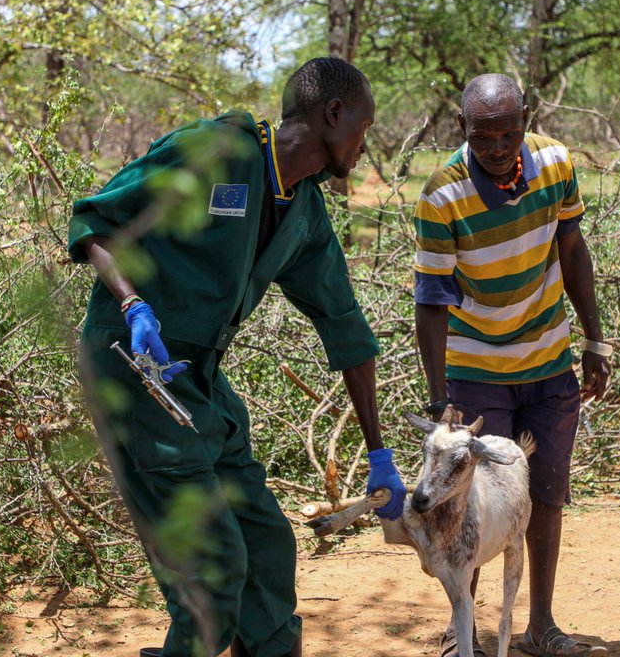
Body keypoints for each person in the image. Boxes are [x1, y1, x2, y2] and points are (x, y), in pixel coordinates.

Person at [68, 57, 407, 657]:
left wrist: (379, 453)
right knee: (214, 567)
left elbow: (344, 326)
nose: (364, 142)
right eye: (364, 124)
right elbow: (93, 220)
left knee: (268, 545)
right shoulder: (215, 150)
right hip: (131, 363)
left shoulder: (303, 210)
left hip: (196, 377)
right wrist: (133, 306)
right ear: (332, 113)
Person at [413, 74, 612, 657]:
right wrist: (438, 397)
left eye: (508, 133)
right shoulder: (442, 195)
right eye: (482, 137)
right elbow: (431, 302)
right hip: (476, 367)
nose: (497, 148)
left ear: (526, 120)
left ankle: (541, 625)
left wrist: (595, 340)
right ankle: (462, 630)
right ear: (462, 130)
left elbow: (572, 249)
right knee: (467, 500)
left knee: (546, 493)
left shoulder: (555, 163)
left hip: (549, 358)